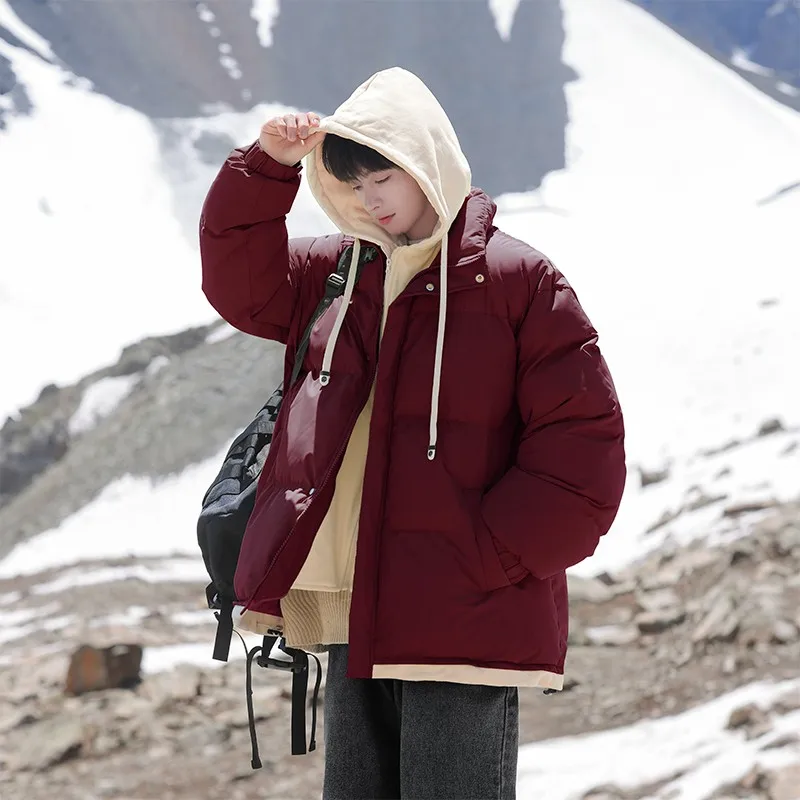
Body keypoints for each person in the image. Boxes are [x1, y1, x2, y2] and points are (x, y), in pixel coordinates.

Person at [199, 67, 626, 800]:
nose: (369, 198)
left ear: (428, 161)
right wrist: (265, 168)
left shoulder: (518, 280)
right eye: (355, 183)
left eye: (384, 177)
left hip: (464, 619)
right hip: (353, 609)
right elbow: (240, 280)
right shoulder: (336, 275)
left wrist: (489, 556)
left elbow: (583, 448)